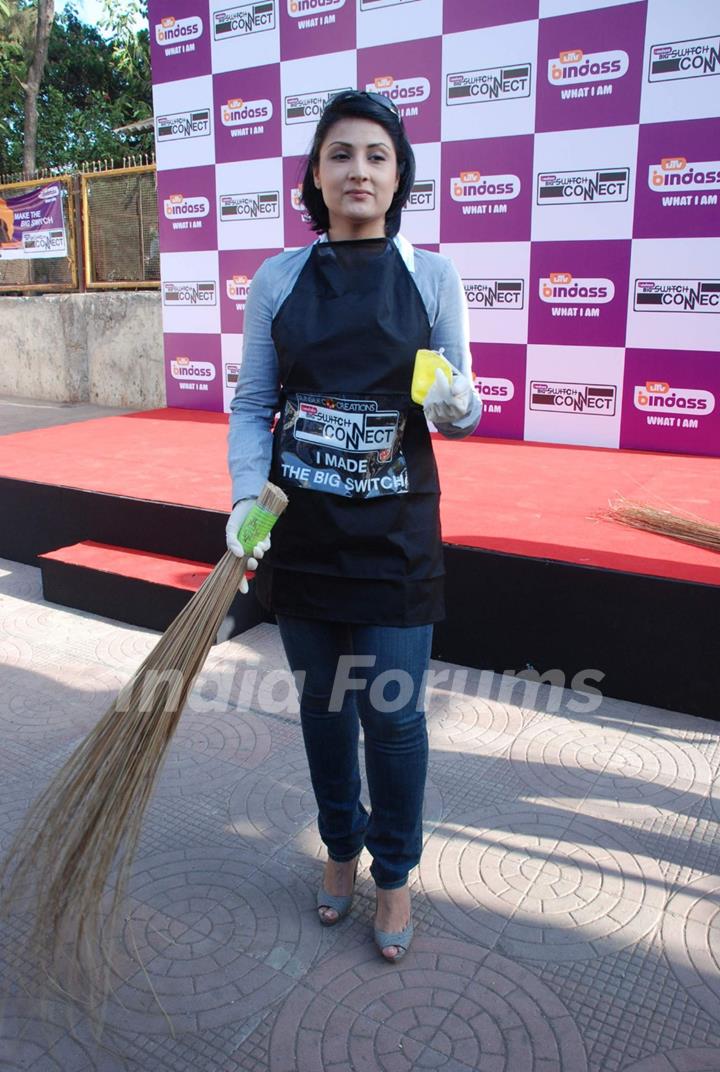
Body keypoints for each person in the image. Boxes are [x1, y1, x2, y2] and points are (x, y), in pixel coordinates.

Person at [225, 90, 482, 962]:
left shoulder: (433, 276)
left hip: (397, 537)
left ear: (399, 173)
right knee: (323, 711)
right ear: (315, 175)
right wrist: (240, 500)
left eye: (376, 154)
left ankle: (396, 869)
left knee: (396, 717)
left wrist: (459, 405)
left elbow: (457, 412)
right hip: (304, 533)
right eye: (341, 154)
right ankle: (340, 851)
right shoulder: (277, 280)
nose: (358, 170)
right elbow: (254, 405)